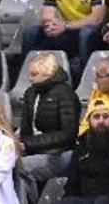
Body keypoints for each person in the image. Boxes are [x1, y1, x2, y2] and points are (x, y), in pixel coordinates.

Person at [16, 52, 80, 191]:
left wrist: (29, 144)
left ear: (48, 74)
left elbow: (68, 134)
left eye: (34, 74)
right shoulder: (30, 93)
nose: (29, 78)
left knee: (19, 167)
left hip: (58, 153)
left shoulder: (65, 94)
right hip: (32, 149)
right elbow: (25, 128)